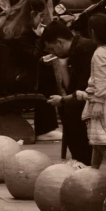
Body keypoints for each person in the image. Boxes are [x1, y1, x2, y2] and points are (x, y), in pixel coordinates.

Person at [0, 0, 62, 141]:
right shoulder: (21, 31)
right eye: (40, 16)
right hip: (5, 85)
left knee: (44, 71)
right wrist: (40, 37)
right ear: (32, 13)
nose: (41, 20)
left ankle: (47, 127)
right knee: (46, 75)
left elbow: (23, 57)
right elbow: (32, 56)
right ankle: (46, 128)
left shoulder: (6, 26)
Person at [43, 20, 97, 165]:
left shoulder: (83, 49)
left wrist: (62, 100)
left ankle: (82, 159)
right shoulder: (71, 53)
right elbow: (71, 89)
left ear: (60, 42)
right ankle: (78, 157)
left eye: (51, 49)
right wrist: (63, 65)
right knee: (66, 105)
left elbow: (83, 91)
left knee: (70, 108)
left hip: (96, 95)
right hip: (86, 94)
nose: (52, 53)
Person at [83, 15, 106, 168]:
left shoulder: (99, 53)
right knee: (97, 143)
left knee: (101, 142)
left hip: (101, 103)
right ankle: (93, 171)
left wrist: (98, 101)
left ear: (92, 32)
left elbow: (101, 79)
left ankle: (93, 172)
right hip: (100, 100)